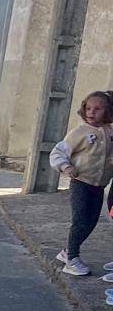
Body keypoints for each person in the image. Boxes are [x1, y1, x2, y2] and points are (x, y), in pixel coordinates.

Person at [49, 89, 113, 277]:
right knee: (80, 220)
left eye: (98, 109)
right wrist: (66, 168)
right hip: (81, 182)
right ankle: (72, 259)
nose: (91, 112)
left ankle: (67, 251)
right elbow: (58, 152)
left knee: (91, 221)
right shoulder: (80, 132)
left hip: (99, 184)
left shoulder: (109, 131)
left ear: (108, 111)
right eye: (88, 108)